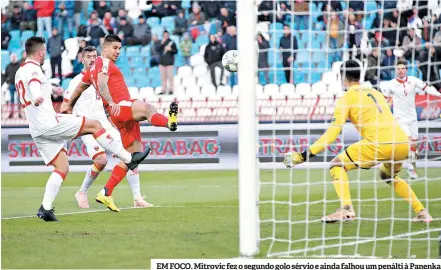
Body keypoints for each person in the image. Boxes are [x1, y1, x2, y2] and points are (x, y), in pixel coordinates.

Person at [16, 37, 150, 222]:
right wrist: (39, 96)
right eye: (44, 51)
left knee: (62, 166)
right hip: (49, 122)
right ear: (40, 52)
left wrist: (50, 91)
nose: (45, 54)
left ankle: (45, 208)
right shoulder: (34, 69)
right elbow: (33, 84)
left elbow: (30, 87)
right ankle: (129, 159)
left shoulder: (19, 71)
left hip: (37, 129)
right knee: (95, 126)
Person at [283, 60, 433, 223]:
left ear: (342, 77)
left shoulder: (346, 98)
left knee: (336, 165)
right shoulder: (374, 92)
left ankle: (346, 209)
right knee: (387, 176)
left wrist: (303, 156)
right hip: (402, 142)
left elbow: (332, 134)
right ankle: (422, 212)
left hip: (379, 144)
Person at [61, 34, 178, 212]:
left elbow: (80, 88)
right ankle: (169, 123)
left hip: (116, 117)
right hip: (121, 107)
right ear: (105, 47)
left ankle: (106, 192)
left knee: (133, 157)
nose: (117, 52)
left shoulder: (89, 72)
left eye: (120, 48)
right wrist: (112, 101)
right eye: (115, 48)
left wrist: (69, 105)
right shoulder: (103, 62)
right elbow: (102, 84)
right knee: (147, 108)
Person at [382, 60, 441, 179]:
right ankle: (406, 166)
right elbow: (385, 100)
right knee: (408, 140)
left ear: (406, 70)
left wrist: (439, 95)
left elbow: (427, 88)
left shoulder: (413, 80)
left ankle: (411, 167)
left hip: (412, 117)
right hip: (399, 118)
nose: (400, 70)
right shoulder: (390, 84)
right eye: (398, 69)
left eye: (402, 68)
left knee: (414, 143)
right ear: (395, 70)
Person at [4, 53, 21, 118]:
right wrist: (7, 81)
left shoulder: (20, 65)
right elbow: (5, 75)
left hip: (18, 85)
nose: (13, 58)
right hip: (11, 85)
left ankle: (19, 113)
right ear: (11, 58)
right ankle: (11, 113)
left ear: (16, 57)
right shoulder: (8, 66)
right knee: (11, 99)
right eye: (12, 57)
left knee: (19, 99)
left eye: (14, 57)